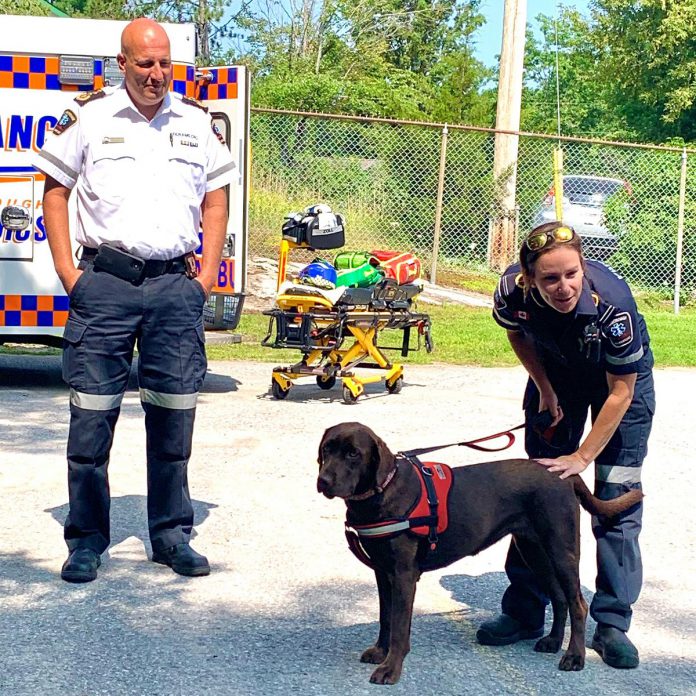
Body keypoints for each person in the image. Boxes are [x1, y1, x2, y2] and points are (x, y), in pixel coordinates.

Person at [34, 18, 235, 583]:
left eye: (165, 63)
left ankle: (172, 536)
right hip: (107, 286)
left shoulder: (195, 122)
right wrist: (71, 275)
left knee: (174, 418)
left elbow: (215, 200)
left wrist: (206, 278)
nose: (157, 73)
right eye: (145, 63)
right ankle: (86, 540)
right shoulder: (91, 118)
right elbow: (55, 188)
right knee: (92, 419)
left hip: (176, 288)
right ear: (121, 64)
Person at [480, 221, 655, 669]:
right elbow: (517, 333)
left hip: (618, 385)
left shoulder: (613, 306)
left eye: (572, 274)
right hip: (556, 373)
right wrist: (544, 387)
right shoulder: (511, 292)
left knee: (614, 497)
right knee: (532, 495)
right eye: (551, 279)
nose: (564, 287)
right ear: (529, 278)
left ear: (584, 266)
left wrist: (581, 457)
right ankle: (524, 611)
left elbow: (621, 393)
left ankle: (612, 624)